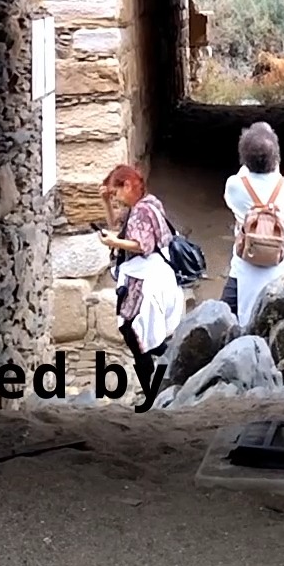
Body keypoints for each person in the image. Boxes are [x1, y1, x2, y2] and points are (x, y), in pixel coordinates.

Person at [97, 165, 185, 397]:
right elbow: (118, 225)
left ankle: (152, 390)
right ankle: (165, 378)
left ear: (127, 185)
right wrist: (107, 202)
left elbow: (141, 245)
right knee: (146, 335)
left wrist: (113, 244)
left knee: (133, 331)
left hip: (147, 280)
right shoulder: (148, 203)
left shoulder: (141, 212)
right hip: (154, 277)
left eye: (116, 193)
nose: (115, 199)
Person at [223, 122, 284, 329]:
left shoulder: (235, 186)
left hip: (245, 270)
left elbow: (241, 176)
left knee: (227, 316)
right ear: (276, 156)